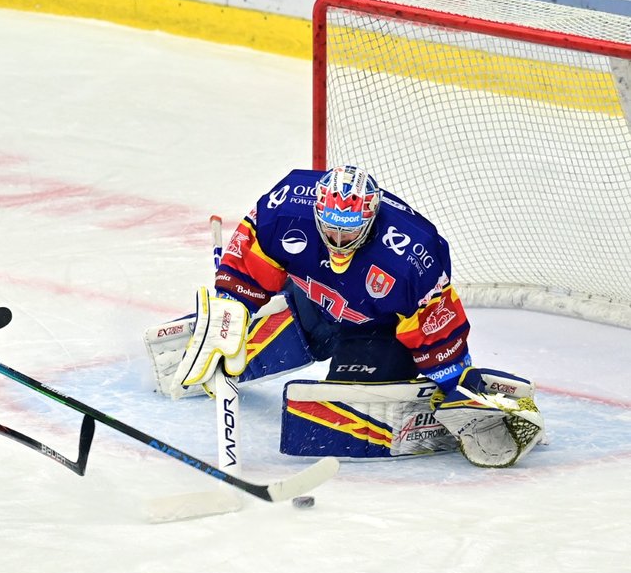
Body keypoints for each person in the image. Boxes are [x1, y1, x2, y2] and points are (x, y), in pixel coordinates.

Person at [166, 165, 544, 468]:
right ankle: (213, 350)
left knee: (319, 419)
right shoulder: (285, 207)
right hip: (312, 299)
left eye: (350, 232)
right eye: (330, 228)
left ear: (371, 218)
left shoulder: (413, 254)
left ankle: (427, 403)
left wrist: (452, 381)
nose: (339, 240)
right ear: (316, 210)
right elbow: (248, 266)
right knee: (238, 341)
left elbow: (435, 325)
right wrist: (231, 310)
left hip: (379, 331)